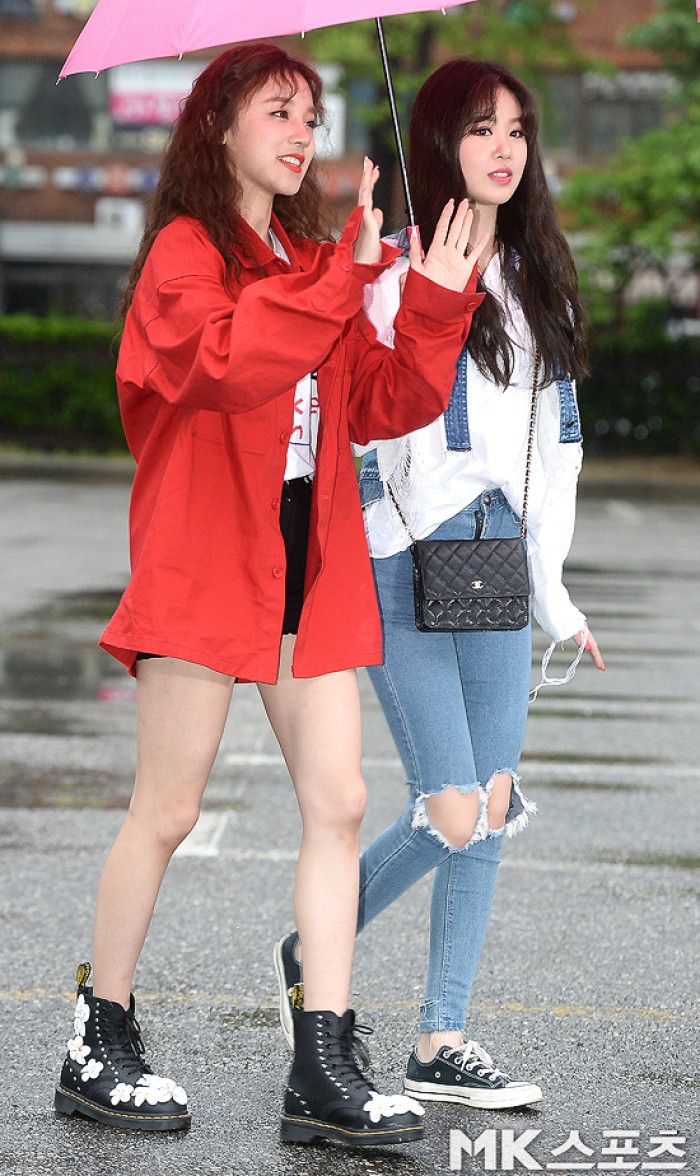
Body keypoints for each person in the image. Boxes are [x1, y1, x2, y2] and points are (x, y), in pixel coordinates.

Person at [52, 43, 489, 1147]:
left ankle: (322, 1062)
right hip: (206, 562)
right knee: (167, 810)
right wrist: (341, 278)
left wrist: (435, 300)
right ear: (218, 125)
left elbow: (379, 401)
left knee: (338, 803)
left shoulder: (305, 256)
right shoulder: (184, 253)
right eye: (278, 112)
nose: (302, 134)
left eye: (311, 115)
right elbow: (221, 364)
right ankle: (98, 1035)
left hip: (307, 566)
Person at [275, 57, 606, 1111]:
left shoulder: (540, 276)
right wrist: (414, 289)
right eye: (478, 128)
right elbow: (364, 417)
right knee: (451, 807)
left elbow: (555, 453)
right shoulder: (391, 268)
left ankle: (440, 1037)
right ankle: (314, 945)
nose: (503, 148)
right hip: (399, 550)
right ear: (437, 144)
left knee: (493, 803)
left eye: (516, 128)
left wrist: (555, 594)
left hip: (495, 552)